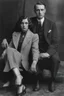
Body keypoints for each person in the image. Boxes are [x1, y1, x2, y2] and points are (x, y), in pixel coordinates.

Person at [1, 16, 39, 96]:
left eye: (26, 23)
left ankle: (15, 78)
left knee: (8, 50)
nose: (24, 25)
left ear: (29, 24)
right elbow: (10, 48)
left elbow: (35, 50)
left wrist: (34, 62)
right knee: (8, 50)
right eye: (22, 23)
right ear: (19, 24)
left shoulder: (34, 36)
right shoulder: (15, 34)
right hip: (13, 60)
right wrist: (5, 52)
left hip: (23, 62)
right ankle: (20, 82)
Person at [30, 1, 60, 92]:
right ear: (35, 11)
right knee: (33, 58)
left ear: (45, 10)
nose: (40, 12)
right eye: (38, 10)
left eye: (42, 10)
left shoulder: (51, 24)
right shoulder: (30, 21)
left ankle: (52, 80)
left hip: (48, 49)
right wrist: (5, 39)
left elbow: (55, 41)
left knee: (56, 59)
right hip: (35, 49)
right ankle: (37, 80)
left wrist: (47, 53)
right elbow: (18, 27)